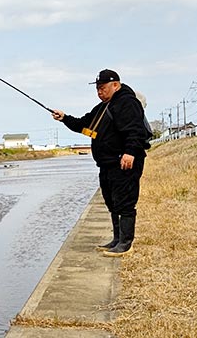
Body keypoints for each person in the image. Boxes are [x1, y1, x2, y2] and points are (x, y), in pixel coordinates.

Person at [52, 69, 148, 257]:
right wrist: (64, 118)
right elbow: (83, 124)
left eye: (102, 88)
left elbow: (135, 131)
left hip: (124, 162)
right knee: (112, 202)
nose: (99, 92)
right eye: (97, 88)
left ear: (115, 85)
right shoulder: (103, 107)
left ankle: (126, 244)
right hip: (107, 164)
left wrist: (130, 152)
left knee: (125, 202)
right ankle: (117, 239)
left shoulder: (127, 102)